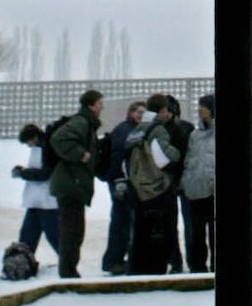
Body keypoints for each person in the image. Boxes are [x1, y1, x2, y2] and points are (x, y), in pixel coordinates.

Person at [46, 89, 103, 279]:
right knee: (72, 231)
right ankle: (68, 272)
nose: (102, 107)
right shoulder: (82, 122)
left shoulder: (88, 123)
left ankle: (69, 270)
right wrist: (81, 154)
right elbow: (59, 138)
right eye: (100, 103)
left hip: (73, 184)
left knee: (73, 230)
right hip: (71, 185)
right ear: (91, 105)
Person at [126, 93, 185, 276]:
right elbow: (163, 159)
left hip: (138, 188)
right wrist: (176, 153)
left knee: (141, 232)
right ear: (162, 110)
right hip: (157, 188)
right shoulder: (157, 129)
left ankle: (138, 268)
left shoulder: (136, 130)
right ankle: (156, 270)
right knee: (160, 232)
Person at [98, 100, 147, 275]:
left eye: (144, 113)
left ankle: (115, 259)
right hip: (122, 182)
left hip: (124, 182)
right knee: (122, 222)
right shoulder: (127, 130)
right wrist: (120, 180)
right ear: (131, 113)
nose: (141, 115)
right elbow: (118, 156)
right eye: (139, 112)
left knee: (123, 221)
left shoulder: (127, 129)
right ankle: (113, 261)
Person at [10, 121, 61, 264]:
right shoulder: (42, 147)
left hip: (46, 200)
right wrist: (23, 171)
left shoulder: (47, 149)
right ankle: (23, 260)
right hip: (37, 200)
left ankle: (67, 263)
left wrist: (23, 173)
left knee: (50, 234)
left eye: (28, 143)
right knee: (30, 233)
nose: (28, 146)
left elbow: (45, 174)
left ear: (33, 138)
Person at [181, 94, 217, 273]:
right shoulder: (195, 135)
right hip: (195, 190)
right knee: (196, 234)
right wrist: (186, 182)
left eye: (203, 107)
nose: (199, 110)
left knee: (215, 234)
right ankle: (198, 269)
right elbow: (189, 160)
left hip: (213, 192)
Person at [165, 94, 195, 273]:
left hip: (175, 180)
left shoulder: (183, 128)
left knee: (181, 224)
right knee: (185, 224)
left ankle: (177, 262)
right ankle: (185, 262)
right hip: (180, 180)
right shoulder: (187, 128)